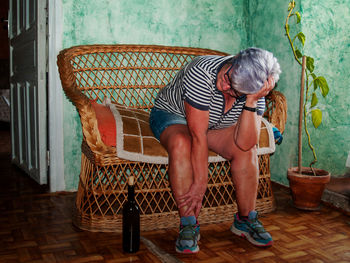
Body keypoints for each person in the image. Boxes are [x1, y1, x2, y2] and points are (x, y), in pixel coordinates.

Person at [149, 47, 281, 254]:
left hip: (215, 125)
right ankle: (189, 223)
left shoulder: (254, 87)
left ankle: (246, 219)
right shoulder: (202, 72)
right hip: (174, 116)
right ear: (235, 60)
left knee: (246, 150)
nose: (225, 85)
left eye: (234, 91)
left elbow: (245, 143)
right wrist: (200, 185)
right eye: (228, 76)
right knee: (182, 144)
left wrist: (251, 101)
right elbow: (198, 136)